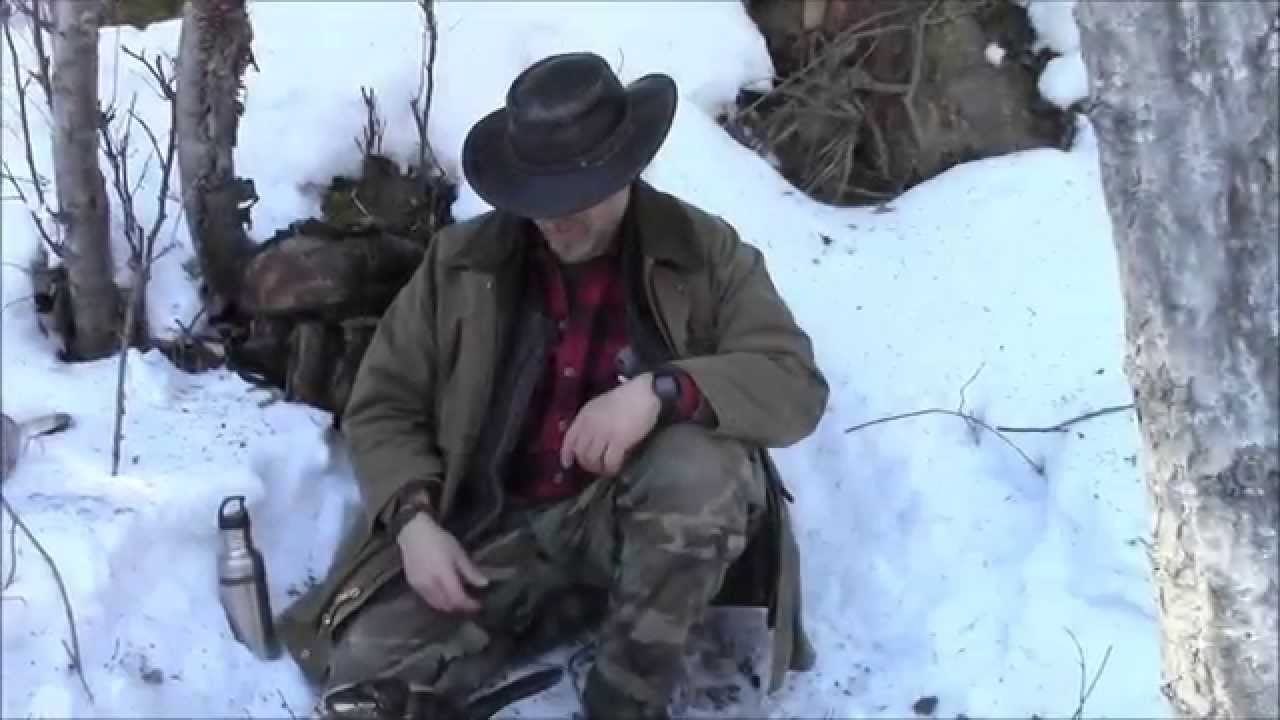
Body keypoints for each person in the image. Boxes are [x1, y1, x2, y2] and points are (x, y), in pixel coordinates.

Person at [276, 51, 829, 720]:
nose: (556, 219)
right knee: (362, 668)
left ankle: (626, 693)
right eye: (539, 199)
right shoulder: (462, 263)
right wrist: (414, 521)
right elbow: (385, 403)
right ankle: (554, 610)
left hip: (623, 519)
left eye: (576, 198)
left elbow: (792, 381)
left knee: (703, 469)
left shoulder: (702, 250)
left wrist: (659, 391)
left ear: (627, 169)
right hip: (492, 525)